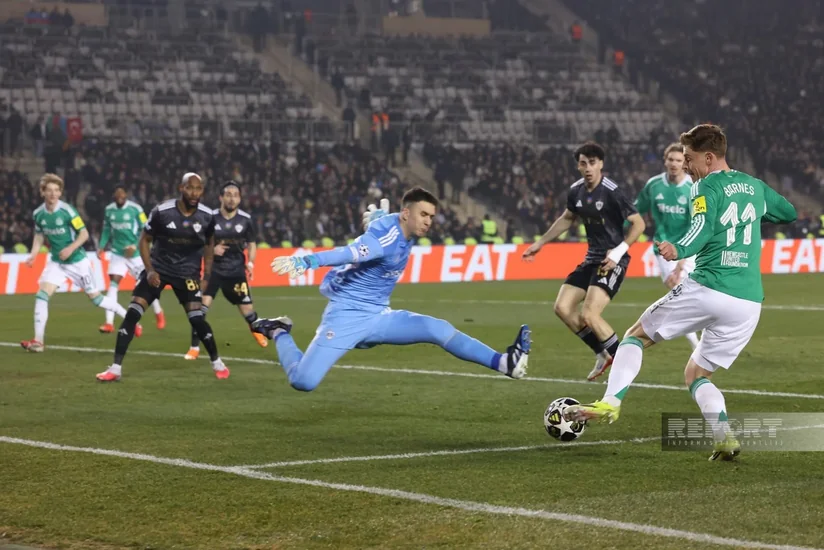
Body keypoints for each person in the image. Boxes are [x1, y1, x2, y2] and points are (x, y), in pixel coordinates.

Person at [565, 124, 797, 461]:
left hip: (710, 287)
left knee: (634, 336)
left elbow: (700, 229)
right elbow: (788, 213)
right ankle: (724, 438)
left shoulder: (705, 186)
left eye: (688, 159)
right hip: (748, 303)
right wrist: (757, 208)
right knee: (696, 374)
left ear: (708, 156)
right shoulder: (754, 186)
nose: (685, 165)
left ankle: (610, 403)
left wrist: (678, 247)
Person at [251, 190, 531, 392]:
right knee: (304, 381)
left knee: (437, 329)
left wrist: (375, 221)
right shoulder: (386, 239)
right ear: (407, 213)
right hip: (347, 316)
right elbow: (348, 253)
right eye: (423, 214)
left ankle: (505, 363)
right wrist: (307, 260)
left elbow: (380, 229)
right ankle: (278, 330)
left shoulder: (397, 226)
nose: (428, 221)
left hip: (379, 316)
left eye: (431, 216)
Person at [522, 142, 645, 381]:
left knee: (590, 314)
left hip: (612, 260)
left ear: (601, 164)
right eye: (583, 163)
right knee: (562, 308)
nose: (588, 167)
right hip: (591, 258)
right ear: (578, 165)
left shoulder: (612, 191)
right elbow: (567, 218)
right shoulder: (576, 191)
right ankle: (602, 354)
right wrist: (540, 243)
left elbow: (639, 224)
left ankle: (624, 369)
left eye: (592, 162)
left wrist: (618, 253)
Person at [96, 173, 229, 382]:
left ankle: (217, 362)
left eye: (198, 189)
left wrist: (207, 274)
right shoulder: (162, 211)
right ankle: (115, 368)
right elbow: (144, 240)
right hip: (159, 269)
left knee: (197, 319)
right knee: (133, 313)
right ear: (181, 188)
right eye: (190, 188)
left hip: (188, 274)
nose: (194, 193)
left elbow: (210, 244)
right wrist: (149, 270)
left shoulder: (206, 216)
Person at [21, 174, 136, 353]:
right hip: (57, 263)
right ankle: (38, 341)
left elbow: (84, 234)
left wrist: (70, 248)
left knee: (97, 300)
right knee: (42, 295)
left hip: (77, 262)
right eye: (49, 190)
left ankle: (130, 319)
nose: (53, 194)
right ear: (42, 192)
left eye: (56, 190)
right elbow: (39, 235)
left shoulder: (67, 211)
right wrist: (34, 254)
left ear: (60, 192)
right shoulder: (39, 214)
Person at [185, 181, 267, 360]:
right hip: (212, 271)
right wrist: (211, 250)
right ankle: (194, 348)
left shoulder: (246, 219)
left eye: (235, 195)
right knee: (200, 309)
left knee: (248, 312)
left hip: (236, 271)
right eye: (228, 194)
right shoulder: (209, 217)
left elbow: (252, 244)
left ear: (239, 199)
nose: (232, 198)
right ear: (221, 197)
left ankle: (256, 330)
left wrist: (251, 263)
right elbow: (197, 242)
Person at [635, 143, 699, 349]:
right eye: (671, 159)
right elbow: (637, 210)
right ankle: (695, 344)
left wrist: (681, 265)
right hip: (662, 249)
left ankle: (700, 334)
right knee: (679, 290)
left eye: (678, 160)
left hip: (688, 248)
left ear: (685, 163)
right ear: (665, 160)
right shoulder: (654, 185)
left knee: (691, 294)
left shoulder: (693, 189)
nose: (674, 164)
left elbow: (694, 226)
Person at [98, 185, 166, 334]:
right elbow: (106, 230)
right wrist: (101, 246)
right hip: (117, 253)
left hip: (136, 255)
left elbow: (146, 228)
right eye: (117, 194)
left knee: (147, 285)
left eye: (123, 194)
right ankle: (109, 323)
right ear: (114, 196)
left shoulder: (135, 209)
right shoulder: (109, 210)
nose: (120, 196)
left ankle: (158, 312)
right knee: (113, 283)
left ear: (126, 195)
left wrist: (135, 246)